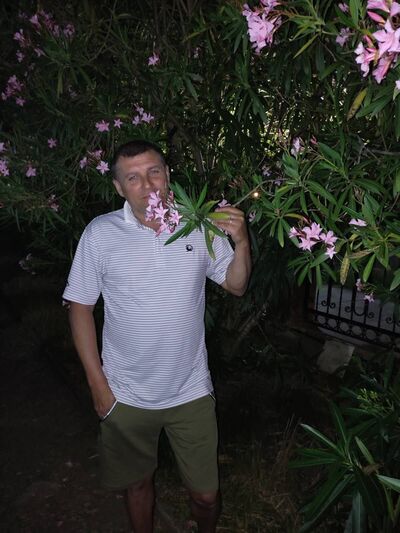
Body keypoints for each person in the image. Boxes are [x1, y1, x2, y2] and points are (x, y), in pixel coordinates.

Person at [63, 140, 251, 533]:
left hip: (190, 390)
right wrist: (98, 386)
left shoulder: (197, 224)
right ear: (119, 188)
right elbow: (79, 307)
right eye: (133, 177)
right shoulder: (101, 234)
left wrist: (242, 242)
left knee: (206, 496)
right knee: (137, 485)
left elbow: (235, 285)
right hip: (126, 393)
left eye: (154, 172)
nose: (147, 184)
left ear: (168, 175)